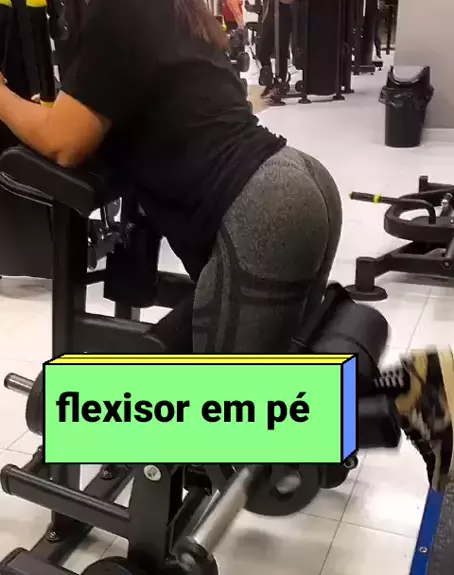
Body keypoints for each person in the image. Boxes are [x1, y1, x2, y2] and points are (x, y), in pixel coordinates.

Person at [0, 0, 453, 489]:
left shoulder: (117, 12)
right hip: (295, 181)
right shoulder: (169, 11)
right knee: (267, 382)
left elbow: (64, 142)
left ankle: (416, 395)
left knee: (234, 420)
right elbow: (88, 118)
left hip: (264, 209)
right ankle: (411, 388)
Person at [257, 0, 294, 97]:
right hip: (270, 18)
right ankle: (269, 82)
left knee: (281, 52)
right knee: (262, 52)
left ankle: (280, 83)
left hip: (283, 19)